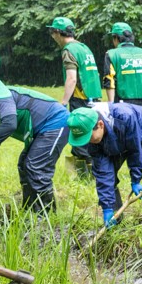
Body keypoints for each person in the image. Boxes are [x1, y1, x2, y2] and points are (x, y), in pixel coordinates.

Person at [66, 102, 142, 227]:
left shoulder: (124, 116)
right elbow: (103, 172)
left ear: (100, 125)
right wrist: (107, 208)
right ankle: (115, 218)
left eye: (89, 137)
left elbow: (134, 149)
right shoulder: (94, 138)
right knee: (109, 176)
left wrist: (135, 180)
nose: (88, 142)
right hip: (117, 139)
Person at [0, 39, 69, 214]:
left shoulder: (0, 98)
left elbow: (9, 123)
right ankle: (30, 211)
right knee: (24, 165)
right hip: (39, 129)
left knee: (36, 166)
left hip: (55, 122)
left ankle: (47, 216)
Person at [47, 16, 103, 178]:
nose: (52, 37)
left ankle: (86, 177)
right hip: (93, 98)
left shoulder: (68, 50)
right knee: (92, 134)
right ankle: (95, 172)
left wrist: (63, 102)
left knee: (80, 135)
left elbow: (72, 78)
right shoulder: (84, 48)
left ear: (58, 32)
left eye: (52, 32)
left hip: (81, 98)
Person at [103, 22, 142, 112]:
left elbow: (109, 81)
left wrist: (111, 106)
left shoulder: (111, 54)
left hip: (123, 104)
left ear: (116, 38)